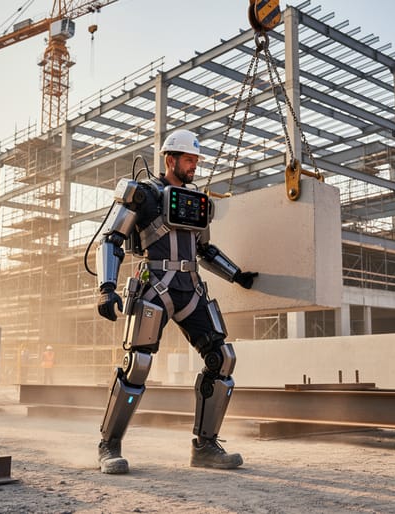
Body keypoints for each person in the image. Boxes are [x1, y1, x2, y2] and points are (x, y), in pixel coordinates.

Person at [93, 128, 258, 474]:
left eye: (196, 160)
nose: (194, 166)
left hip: (191, 289)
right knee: (137, 362)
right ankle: (109, 446)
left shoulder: (197, 203)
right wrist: (106, 287)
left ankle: (206, 446)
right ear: (170, 160)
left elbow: (205, 250)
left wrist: (237, 275)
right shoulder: (143, 195)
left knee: (223, 358)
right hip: (154, 285)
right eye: (188, 160)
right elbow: (111, 241)